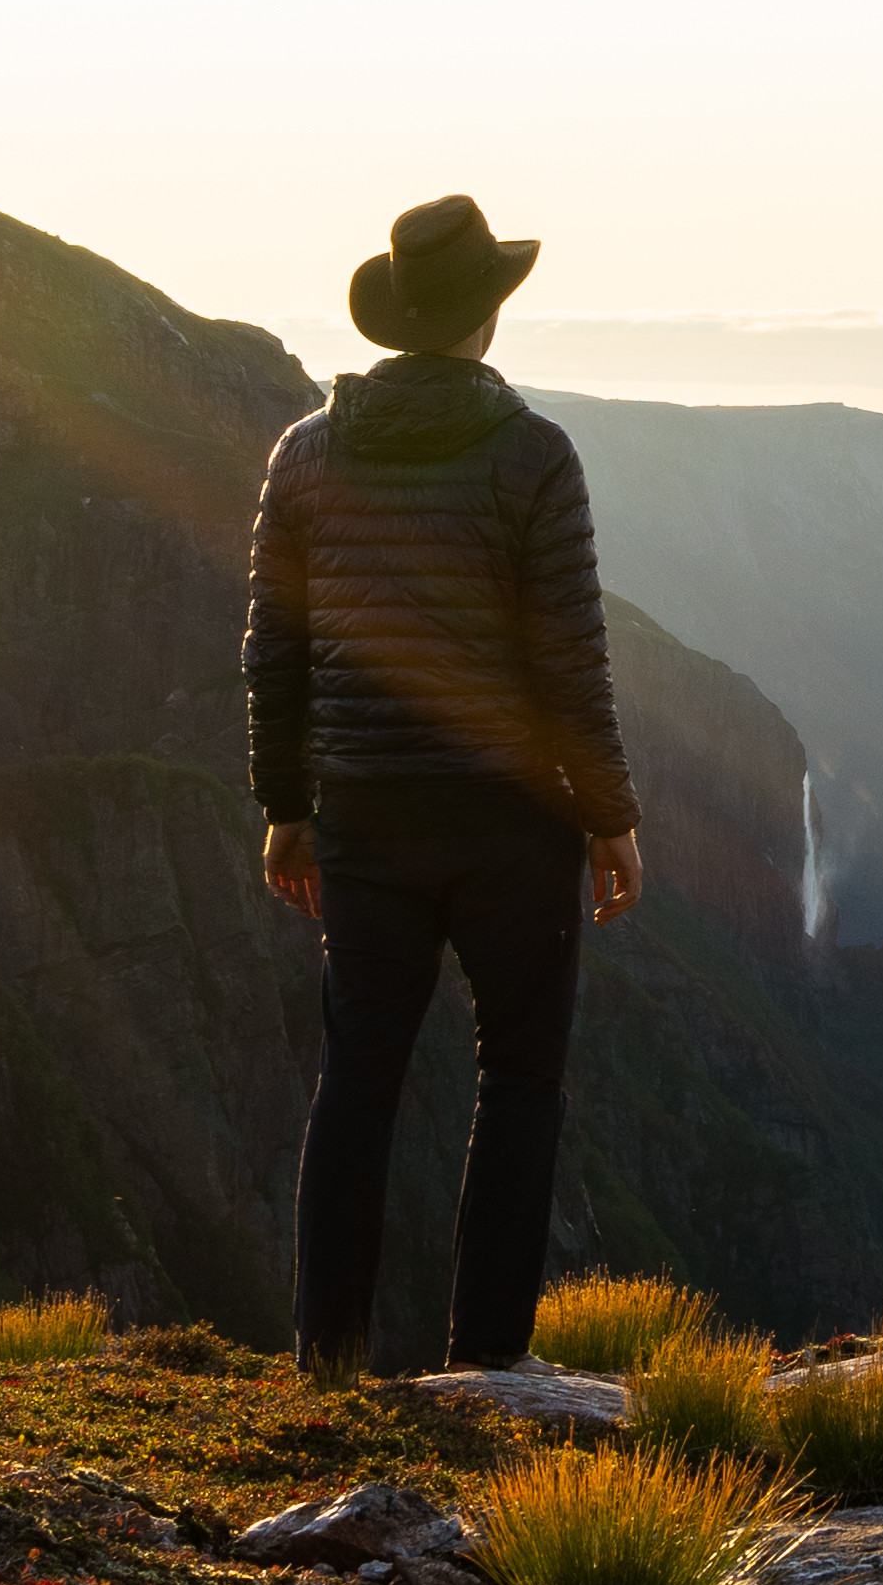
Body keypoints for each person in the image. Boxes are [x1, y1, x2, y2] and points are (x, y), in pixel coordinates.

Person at [242, 194, 648, 1376]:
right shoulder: (532, 455)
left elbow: (274, 646)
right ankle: (489, 1366)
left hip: (366, 812)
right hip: (511, 821)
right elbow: (572, 658)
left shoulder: (307, 453)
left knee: (359, 1078)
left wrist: (285, 806)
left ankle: (326, 1355)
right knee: (519, 1078)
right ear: (486, 316)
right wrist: (610, 814)